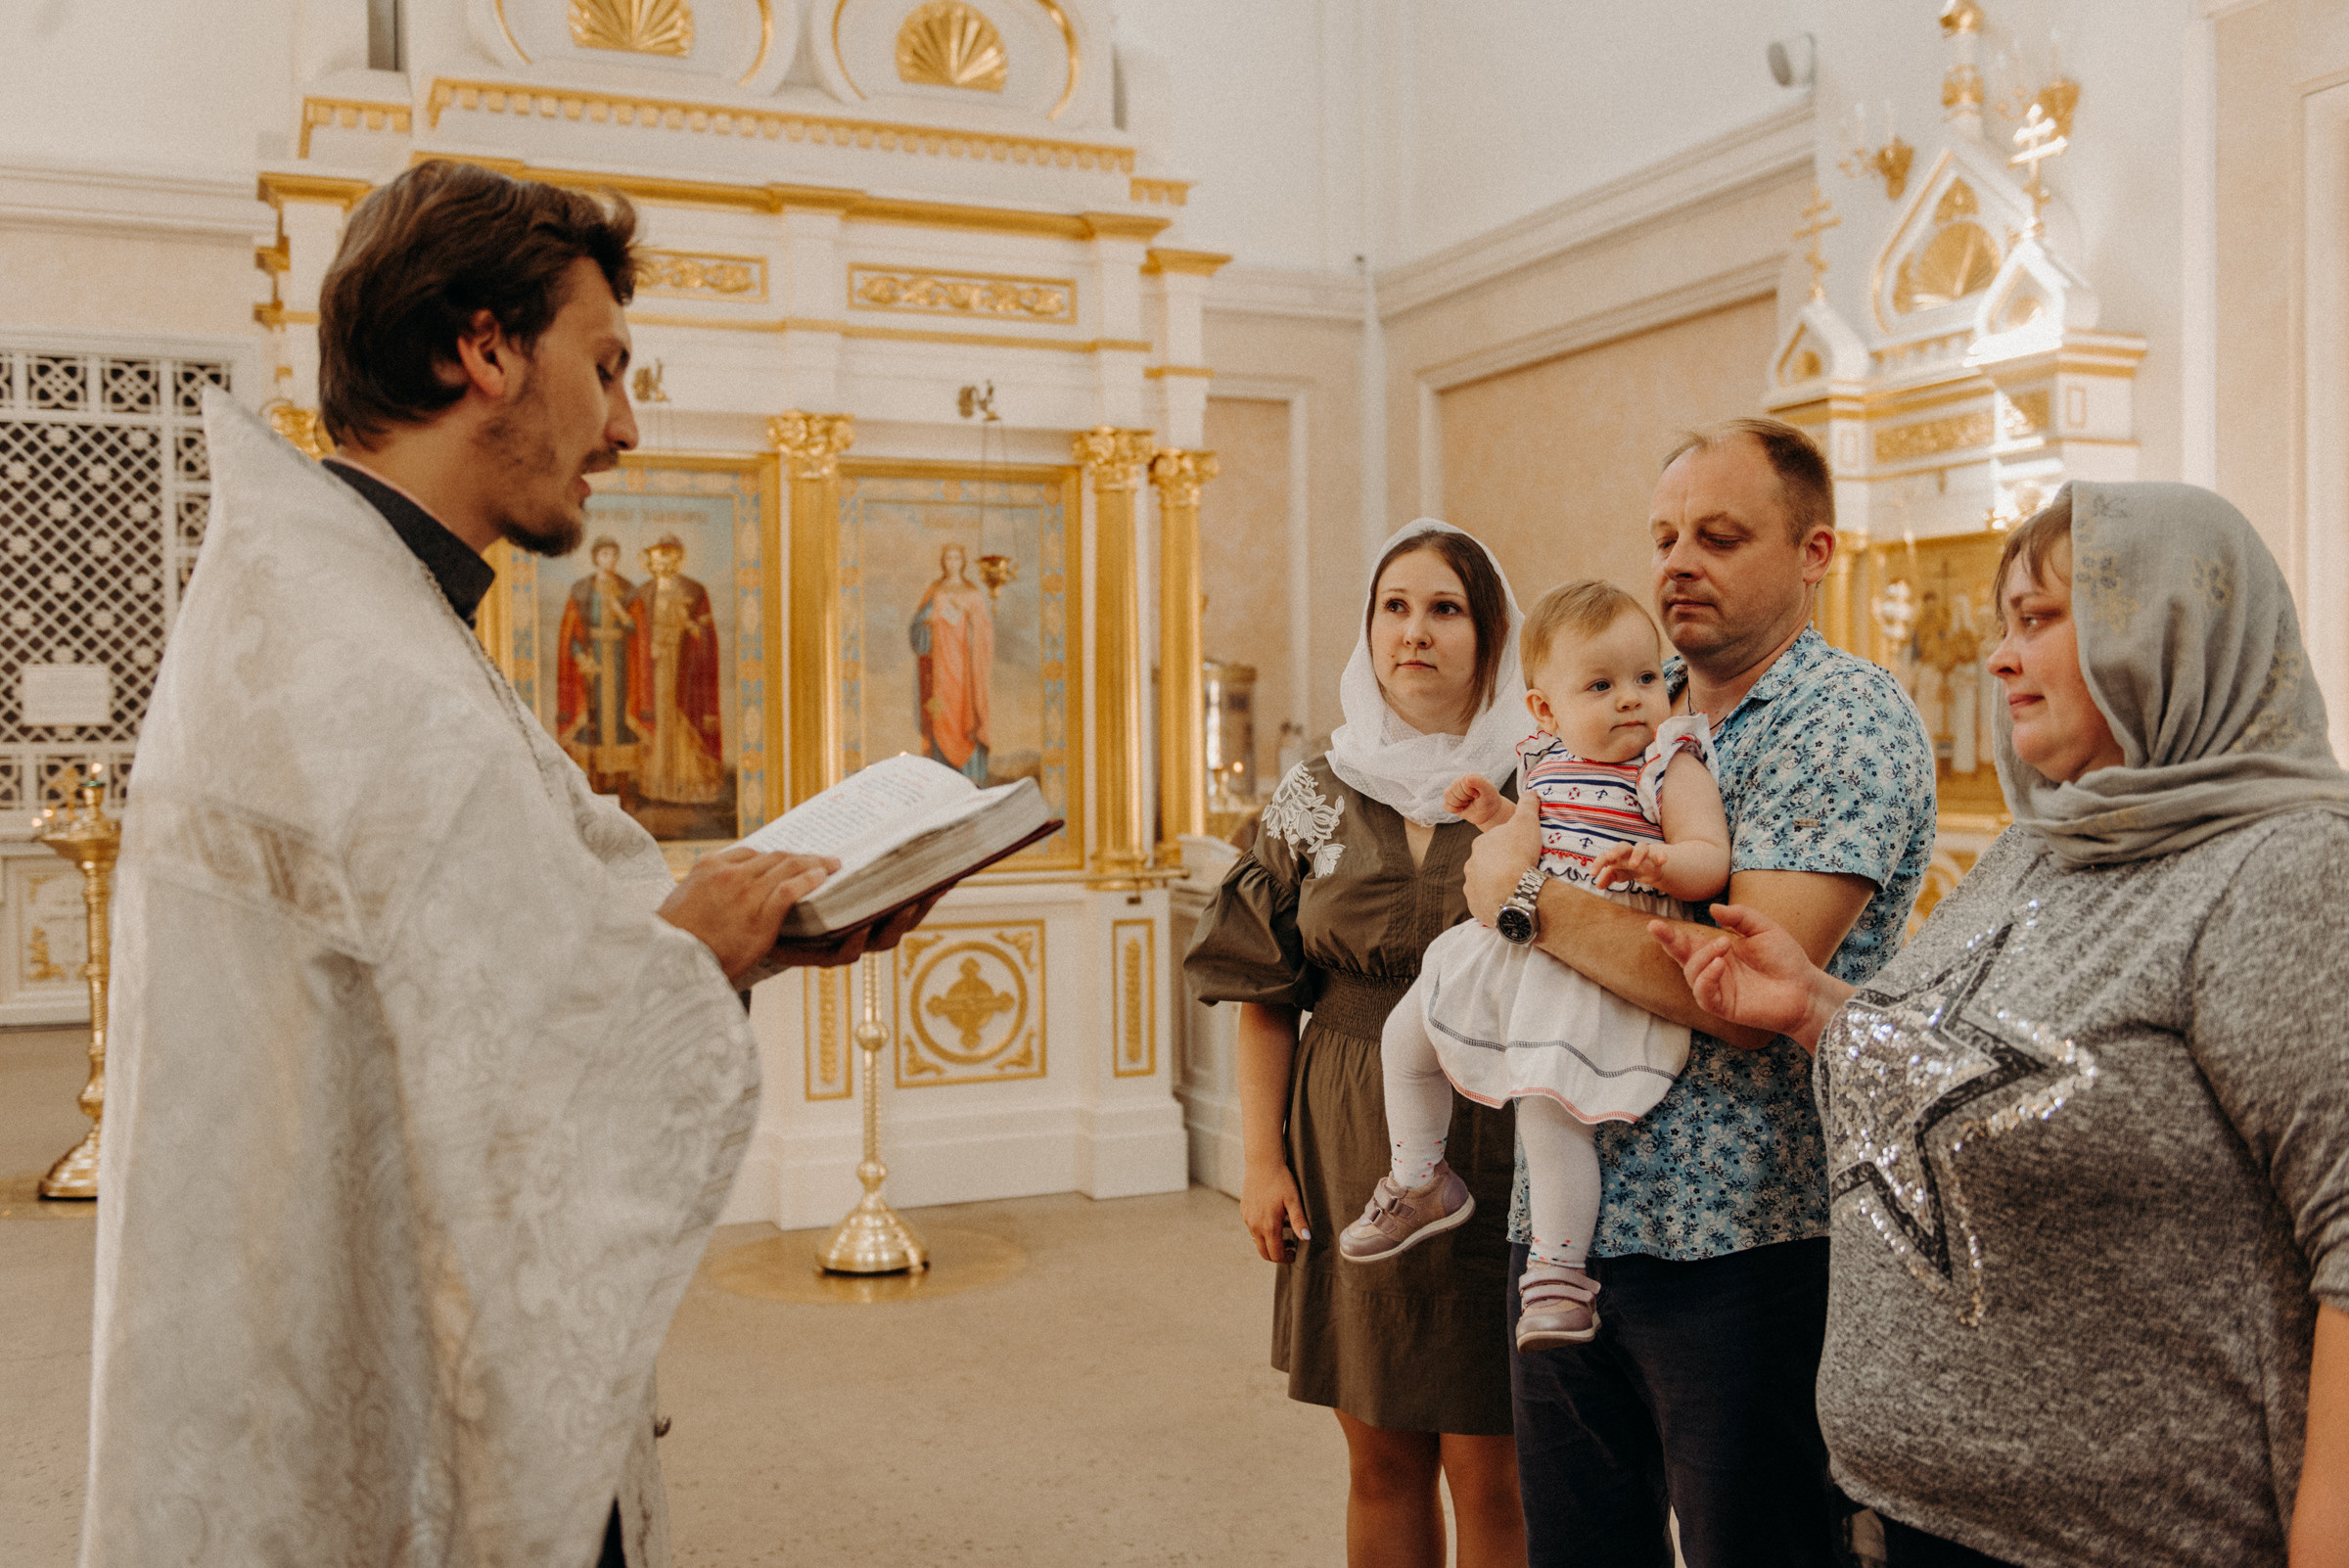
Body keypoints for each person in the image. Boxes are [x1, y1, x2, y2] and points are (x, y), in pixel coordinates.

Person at [81, 160, 928, 1568]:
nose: (625, 424)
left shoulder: (362, 612)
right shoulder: (352, 655)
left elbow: (469, 963)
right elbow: (517, 1041)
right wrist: (694, 950)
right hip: (372, 1417)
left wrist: (754, 926)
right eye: (606, 367)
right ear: (485, 350)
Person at [1651, 482, 2349, 1568]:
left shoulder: (2284, 869)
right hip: (1927, 1525)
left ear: (2169, 628)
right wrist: (1815, 1008)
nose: (2000, 658)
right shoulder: (2041, 844)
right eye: (2000, 624)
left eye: (2042, 621)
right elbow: (1990, 1073)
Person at [1460, 419, 1936, 1567]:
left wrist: (1525, 899)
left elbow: (1742, 980)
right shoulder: (1623, 699)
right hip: (1571, 1227)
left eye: (1719, 537)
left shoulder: (1847, 721)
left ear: (1815, 552)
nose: (1677, 562)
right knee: (1576, 1545)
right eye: (1665, 535)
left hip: (1747, 1244)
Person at [1186, 519, 1530, 1568]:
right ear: (1368, 630)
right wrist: (1259, 1164)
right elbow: (1264, 991)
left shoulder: (1548, 782)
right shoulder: (1310, 795)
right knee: (1378, 1457)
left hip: (1507, 1135)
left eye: (1444, 609)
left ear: (1490, 633)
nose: (1414, 632)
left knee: (1499, 1465)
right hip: (1348, 1138)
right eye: (1394, 607)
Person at [1339, 580, 1729, 1356]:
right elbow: (1530, 836)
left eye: (1646, 678)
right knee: (1404, 1037)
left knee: (1550, 1114)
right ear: (1545, 712)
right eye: (1601, 686)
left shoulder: (1667, 762)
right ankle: (1421, 1175)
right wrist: (1492, 814)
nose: (1632, 700)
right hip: (1520, 945)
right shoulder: (1547, 761)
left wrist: (1664, 860)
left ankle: (1557, 1278)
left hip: (1601, 957)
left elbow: (1710, 857)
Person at [627, 532, 725, 806]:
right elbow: (632, 634)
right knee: (655, 716)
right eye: (657, 557)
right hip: (651, 667)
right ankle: (656, 782)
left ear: (678, 559)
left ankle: (684, 783)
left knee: (676, 715)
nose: (662, 563)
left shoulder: (694, 590)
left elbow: (707, 637)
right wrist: (648, 650)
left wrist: (690, 630)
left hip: (683, 667)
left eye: (668, 556)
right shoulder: (643, 592)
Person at [557, 534, 640, 791]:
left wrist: (620, 613)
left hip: (619, 661)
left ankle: (623, 785)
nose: (610, 560)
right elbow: (571, 632)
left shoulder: (627, 589)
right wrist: (581, 657)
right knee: (595, 720)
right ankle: (597, 783)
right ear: (596, 558)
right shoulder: (582, 589)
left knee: (619, 719)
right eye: (605, 554)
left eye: (614, 555)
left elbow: (637, 629)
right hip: (592, 663)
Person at [910, 541, 995, 784]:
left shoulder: (973, 594)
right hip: (940, 671)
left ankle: (971, 777)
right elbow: (916, 628)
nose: (952, 563)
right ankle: (942, 777)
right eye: (948, 559)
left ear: (963, 562)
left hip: (966, 670)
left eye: (957, 558)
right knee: (942, 713)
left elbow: (985, 632)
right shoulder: (935, 591)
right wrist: (930, 620)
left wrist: (969, 617)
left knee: (965, 714)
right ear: (943, 562)